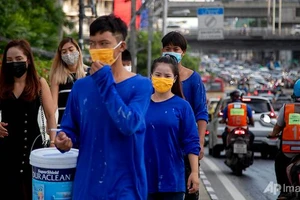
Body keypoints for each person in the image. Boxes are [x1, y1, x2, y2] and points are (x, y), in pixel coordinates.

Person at [54, 14, 153, 200]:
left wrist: (104, 81)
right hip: (87, 187)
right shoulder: (80, 87)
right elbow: (69, 129)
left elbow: (129, 124)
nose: (96, 49)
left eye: (104, 43)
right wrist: (64, 140)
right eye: (92, 43)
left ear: (121, 46)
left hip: (126, 188)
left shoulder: (141, 86)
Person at [0, 39, 57, 200]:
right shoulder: (2, 84)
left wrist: (52, 142)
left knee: (32, 192)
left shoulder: (39, 83)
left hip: (32, 147)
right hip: (6, 150)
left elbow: (50, 114)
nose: (14, 64)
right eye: (9, 60)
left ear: (28, 60)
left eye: (18, 59)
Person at [145, 55, 200, 200]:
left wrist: (194, 172)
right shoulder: (140, 104)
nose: (162, 78)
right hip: (143, 180)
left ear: (174, 79)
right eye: (158, 74)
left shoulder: (183, 106)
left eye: (167, 75)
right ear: (151, 76)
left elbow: (192, 142)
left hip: (172, 181)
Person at [161, 31, 208, 200]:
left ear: (183, 52)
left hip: (186, 147)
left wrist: (200, 142)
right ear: (162, 51)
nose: (171, 51)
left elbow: (201, 113)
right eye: (167, 48)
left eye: (176, 48)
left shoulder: (194, 79)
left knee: (189, 190)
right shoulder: (157, 79)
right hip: (162, 145)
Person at [269, 79, 300, 200]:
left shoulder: (287, 108)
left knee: (279, 161)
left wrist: (273, 134)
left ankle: (284, 191)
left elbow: (278, 126)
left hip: (289, 151)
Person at [49, 37, 87, 128]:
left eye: (71, 49)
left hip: (85, 126)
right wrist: (50, 125)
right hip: (64, 128)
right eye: (64, 52)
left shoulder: (89, 74)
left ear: (78, 50)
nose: (68, 54)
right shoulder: (57, 77)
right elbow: (53, 106)